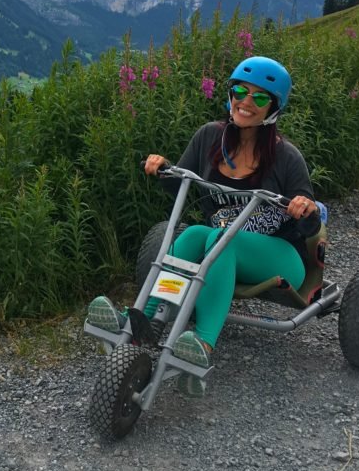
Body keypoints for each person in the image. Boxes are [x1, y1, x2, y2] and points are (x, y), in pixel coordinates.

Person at [86, 56, 321, 396]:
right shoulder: (209, 137)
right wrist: (161, 167)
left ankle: (203, 345)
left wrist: (304, 207)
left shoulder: (286, 157)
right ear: (229, 95)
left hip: (281, 258)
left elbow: (311, 220)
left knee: (221, 239)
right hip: (221, 245)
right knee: (196, 233)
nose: (246, 102)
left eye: (259, 97)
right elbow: (178, 181)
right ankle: (143, 319)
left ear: (274, 107)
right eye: (240, 91)